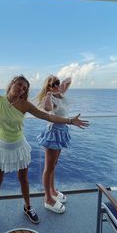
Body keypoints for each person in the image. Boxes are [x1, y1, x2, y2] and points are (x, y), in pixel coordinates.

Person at [0, 75, 88, 223]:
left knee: (23, 179)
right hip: (1, 149)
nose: (21, 89)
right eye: (20, 85)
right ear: (12, 83)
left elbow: (48, 117)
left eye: (24, 88)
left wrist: (70, 121)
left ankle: (28, 207)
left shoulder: (25, 105)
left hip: (19, 147)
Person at [36, 75, 89, 214]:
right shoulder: (50, 98)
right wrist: (49, 93)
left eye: (57, 83)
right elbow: (47, 108)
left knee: (54, 165)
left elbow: (70, 79)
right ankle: (47, 198)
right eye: (53, 84)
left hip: (62, 131)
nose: (57, 86)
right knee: (48, 167)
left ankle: (53, 191)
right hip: (53, 132)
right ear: (48, 87)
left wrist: (59, 85)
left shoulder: (60, 94)